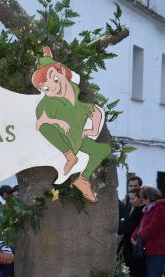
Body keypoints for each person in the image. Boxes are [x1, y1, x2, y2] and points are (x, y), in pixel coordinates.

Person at [32, 46, 111, 202]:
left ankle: (83, 179)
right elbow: (40, 122)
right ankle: (70, 157)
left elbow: (94, 111)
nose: (52, 88)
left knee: (103, 149)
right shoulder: (48, 103)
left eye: (54, 80)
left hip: (79, 139)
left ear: (61, 73)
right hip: (65, 141)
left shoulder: (75, 92)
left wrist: (93, 129)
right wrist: (58, 121)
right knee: (44, 126)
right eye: (45, 88)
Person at [121, 189, 149, 277]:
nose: (131, 201)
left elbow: (132, 228)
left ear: (141, 199)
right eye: (130, 198)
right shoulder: (133, 209)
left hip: (136, 251)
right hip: (129, 250)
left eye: (133, 198)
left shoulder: (142, 211)